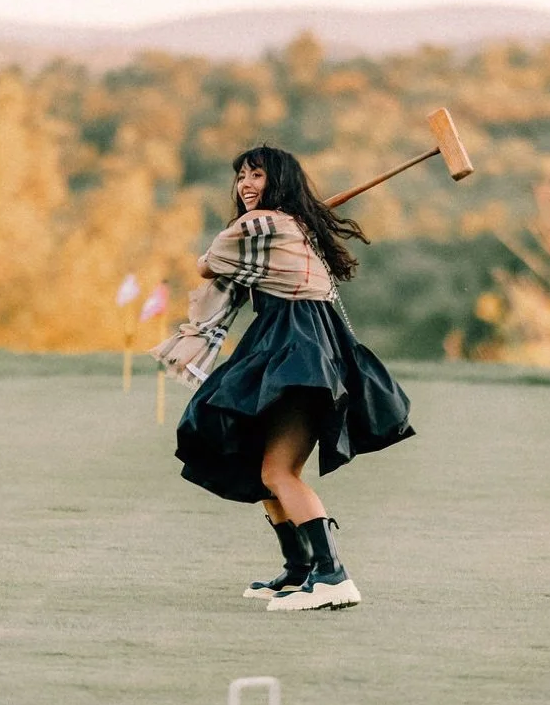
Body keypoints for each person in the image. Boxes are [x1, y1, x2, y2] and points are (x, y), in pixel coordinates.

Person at [151, 145, 414, 612]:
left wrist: (258, 223)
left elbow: (206, 264)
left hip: (296, 350)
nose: (246, 185)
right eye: (241, 178)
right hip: (289, 346)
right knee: (262, 465)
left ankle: (333, 577)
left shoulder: (261, 226)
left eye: (257, 176)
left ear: (281, 183)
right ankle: (300, 570)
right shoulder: (294, 227)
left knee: (278, 471)